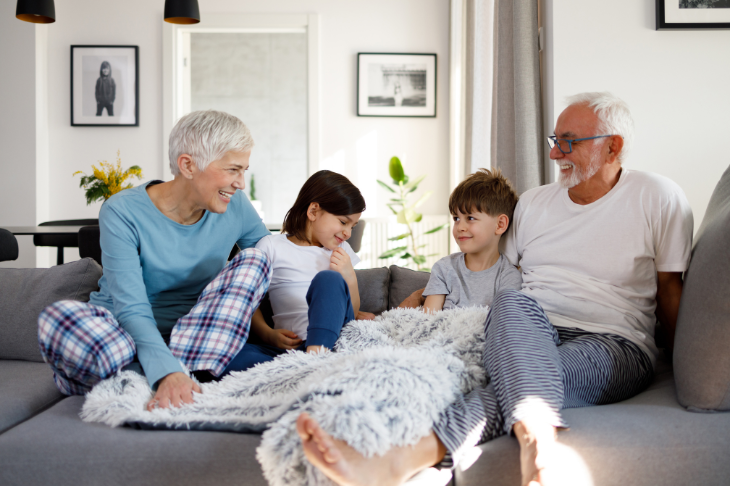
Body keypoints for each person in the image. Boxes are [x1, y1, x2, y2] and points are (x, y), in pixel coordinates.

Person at [295, 92, 693, 486]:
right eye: (555, 141)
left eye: (568, 142)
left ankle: (412, 459)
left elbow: (670, 290)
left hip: (612, 342)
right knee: (511, 302)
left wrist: (677, 366)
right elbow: (493, 270)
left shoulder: (657, 197)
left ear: (613, 147)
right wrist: (418, 301)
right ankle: (533, 449)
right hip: (526, 333)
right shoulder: (536, 204)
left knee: (523, 383)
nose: (555, 155)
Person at [38, 110, 272, 412]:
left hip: (197, 338)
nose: (240, 183)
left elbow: (278, 259)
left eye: (243, 171)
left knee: (257, 259)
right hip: (122, 332)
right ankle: (164, 373)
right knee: (58, 317)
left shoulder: (236, 205)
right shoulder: (122, 211)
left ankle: (138, 376)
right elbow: (131, 306)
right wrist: (167, 371)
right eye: (232, 170)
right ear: (187, 165)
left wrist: (342, 274)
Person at [223, 170, 368, 371]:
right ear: (314, 211)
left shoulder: (342, 251)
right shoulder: (271, 246)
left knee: (327, 280)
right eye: (344, 222)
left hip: (334, 345)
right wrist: (267, 334)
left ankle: (316, 359)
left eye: (353, 226)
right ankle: (303, 367)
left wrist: (349, 276)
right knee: (224, 357)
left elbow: (352, 310)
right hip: (291, 351)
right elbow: (248, 300)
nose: (348, 233)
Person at [423, 168, 521, 314]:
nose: (460, 227)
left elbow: (504, 324)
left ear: (500, 224)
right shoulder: (443, 269)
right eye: (456, 218)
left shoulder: (508, 277)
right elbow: (427, 322)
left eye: (470, 218)